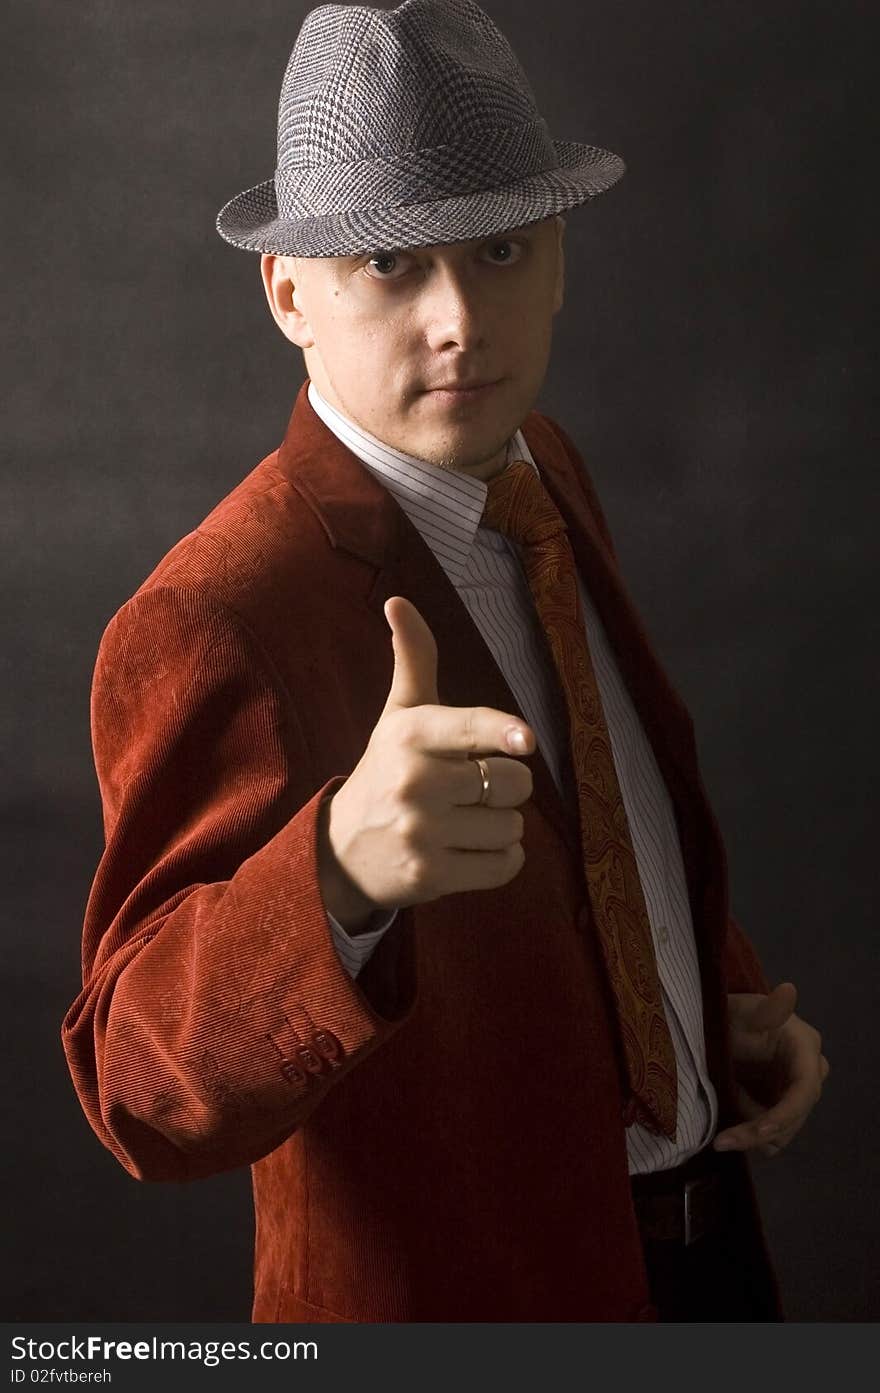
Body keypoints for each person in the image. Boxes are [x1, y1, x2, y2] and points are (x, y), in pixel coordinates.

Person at [61, 0, 829, 1322]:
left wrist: (713, 999)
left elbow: (597, 815)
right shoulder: (216, 613)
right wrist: (337, 874)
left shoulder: (546, 470)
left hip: (705, 1263)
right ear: (290, 291)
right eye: (392, 265)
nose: (462, 318)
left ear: (562, 260)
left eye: (502, 247)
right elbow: (134, 1084)